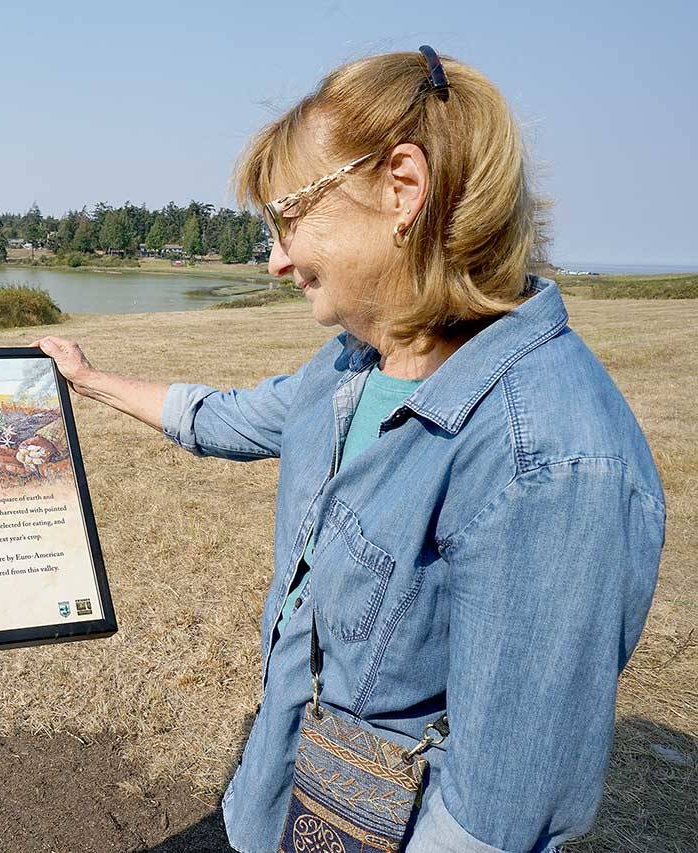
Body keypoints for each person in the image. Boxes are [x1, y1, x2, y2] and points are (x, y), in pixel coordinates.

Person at [35, 47, 666, 853]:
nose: (275, 259)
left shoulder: (549, 462)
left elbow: (491, 822)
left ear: (402, 188)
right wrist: (88, 381)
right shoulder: (355, 362)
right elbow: (226, 417)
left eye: (289, 218)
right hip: (281, 805)